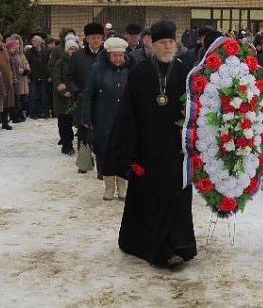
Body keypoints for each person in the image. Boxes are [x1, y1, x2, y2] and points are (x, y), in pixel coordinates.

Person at [108, 20, 197, 267]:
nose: (167, 46)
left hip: (177, 150)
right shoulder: (139, 72)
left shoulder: (185, 72)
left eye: (170, 42)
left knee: (177, 198)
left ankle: (179, 244)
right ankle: (158, 249)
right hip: (147, 150)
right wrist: (127, 154)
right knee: (151, 199)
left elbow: (196, 110)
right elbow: (127, 114)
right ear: (152, 44)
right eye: (162, 43)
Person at [83, 36, 132, 201]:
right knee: (105, 153)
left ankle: (122, 186)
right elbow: (88, 95)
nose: (118, 59)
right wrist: (87, 117)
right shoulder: (97, 69)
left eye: (121, 55)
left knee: (124, 152)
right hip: (103, 119)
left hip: (125, 121)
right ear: (108, 55)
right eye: (115, 56)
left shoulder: (130, 70)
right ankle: (109, 186)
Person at [67, 22, 105, 175]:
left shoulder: (108, 55)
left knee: (103, 133)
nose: (96, 40)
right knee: (83, 132)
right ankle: (84, 162)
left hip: (104, 101)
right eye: (93, 37)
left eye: (99, 37)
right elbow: (70, 77)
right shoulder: (78, 56)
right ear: (87, 39)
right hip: (84, 100)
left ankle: (103, 168)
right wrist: (77, 92)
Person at [52, 39, 78, 155]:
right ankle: (67, 145)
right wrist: (63, 91)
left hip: (75, 97)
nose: (73, 51)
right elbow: (57, 79)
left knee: (77, 122)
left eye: (75, 49)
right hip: (62, 98)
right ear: (67, 50)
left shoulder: (79, 62)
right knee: (64, 123)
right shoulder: (60, 63)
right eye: (71, 49)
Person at [26, 34, 50, 118]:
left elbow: (48, 64)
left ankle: (42, 112)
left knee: (43, 95)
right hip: (33, 77)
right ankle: (33, 113)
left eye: (34, 41)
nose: (33, 43)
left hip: (43, 76)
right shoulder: (29, 52)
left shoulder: (46, 51)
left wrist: (49, 75)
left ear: (39, 42)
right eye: (32, 41)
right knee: (33, 96)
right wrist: (28, 77)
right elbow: (27, 65)